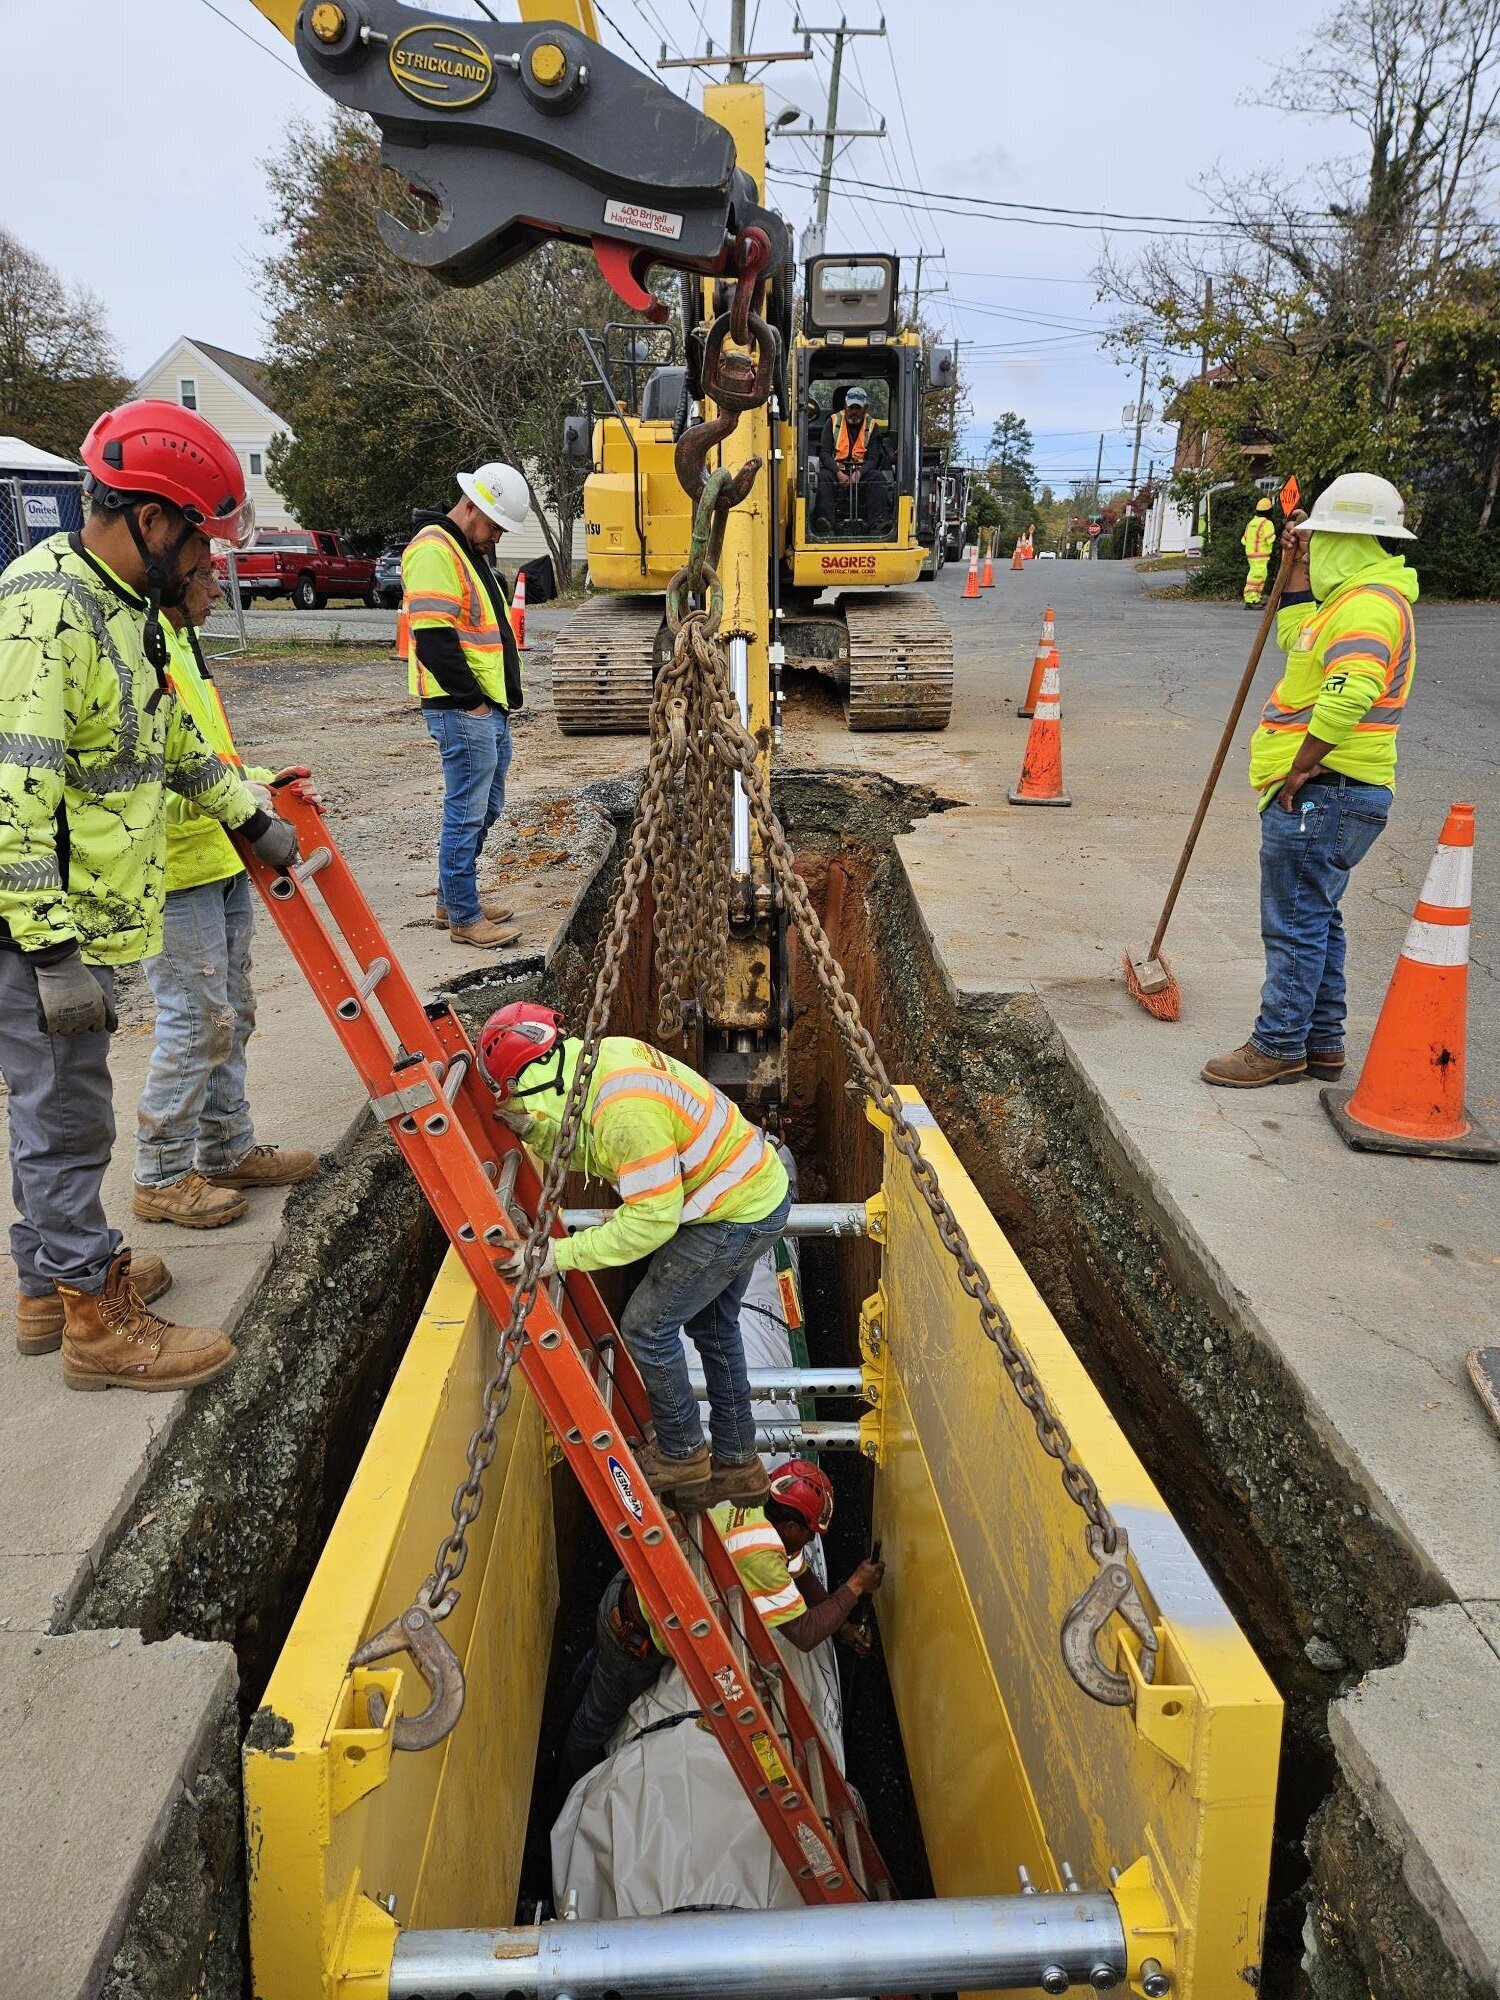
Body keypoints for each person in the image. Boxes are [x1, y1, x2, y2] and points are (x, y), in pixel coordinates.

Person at [0, 399, 300, 1389]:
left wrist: (246, 813)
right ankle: (95, 1321)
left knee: (58, 1108)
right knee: (66, 1115)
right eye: (200, 535)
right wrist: (48, 951)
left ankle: (49, 1282)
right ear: (155, 520)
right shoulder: (46, 608)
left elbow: (165, 740)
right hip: (38, 930)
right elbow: (16, 783)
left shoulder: (123, 611)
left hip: (82, 921)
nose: (203, 557)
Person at [479, 1003, 791, 1502]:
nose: (514, 1098)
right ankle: (738, 1463)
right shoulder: (601, 1062)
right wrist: (539, 1130)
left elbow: (649, 1222)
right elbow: (597, 1147)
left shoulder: (624, 1115)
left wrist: (558, 1255)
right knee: (713, 1328)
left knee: (647, 1328)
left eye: (512, 1089)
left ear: (532, 1077)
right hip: (749, 1189)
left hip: (732, 1211)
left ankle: (683, 1453)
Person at [1203, 473, 1418, 1089]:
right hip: (1338, 789)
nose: (1315, 546)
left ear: (1344, 540)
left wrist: (1303, 760)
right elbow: (1296, 638)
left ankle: (1278, 1046)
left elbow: (1351, 690)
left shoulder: (1369, 605)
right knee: (1316, 916)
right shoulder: (1348, 600)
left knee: (1295, 922)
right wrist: (1293, 574)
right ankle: (1322, 1043)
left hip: (1325, 789)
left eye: (1320, 539)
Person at [132, 557, 319, 1228]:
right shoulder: (141, 646)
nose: (220, 590)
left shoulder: (182, 642)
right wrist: (238, 803)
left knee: (232, 1012)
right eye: (205, 577)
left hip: (217, 857)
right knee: (193, 1022)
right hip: (172, 869)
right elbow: (142, 780)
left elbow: (211, 761)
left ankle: (225, 1146)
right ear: (170, 580)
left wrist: (268, 782)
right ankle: (159, 1175)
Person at [560, 1459, 884, 1780]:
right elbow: (804, 1632)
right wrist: (855, 1586)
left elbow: (802, 1577)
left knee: (594, 1669)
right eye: (810, 1533)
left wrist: (843, 1627)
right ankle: (566, 1789)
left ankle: (561, 1715)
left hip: (627, 1593)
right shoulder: (762, 1556)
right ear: (789, 1527)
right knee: (592, 1724)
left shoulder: (753, 1502)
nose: (812, 1542)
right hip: (634, 1636)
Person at [402, 461, 529, 949]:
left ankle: (452, 896)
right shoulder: (436, 548)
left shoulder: (466, 551)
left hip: (484, 706)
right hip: (464, 707)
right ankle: (463, 915)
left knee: (485, 806)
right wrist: (472, 702)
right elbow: (433, 638)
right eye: (494, 524)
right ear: (471, 505)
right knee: (466, 811)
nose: (496, 536)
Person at [813, 386, 890, 534]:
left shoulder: (872, 426)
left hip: (861, 472)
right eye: (851, 407)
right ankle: (825, 523)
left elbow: (873, 458)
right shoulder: (832, 422)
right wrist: (838, 473)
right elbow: (824, 453)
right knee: (823, 477)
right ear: (845, 407)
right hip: (837, 470)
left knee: (877, 477)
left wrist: (859, 473)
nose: (854, 411)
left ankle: (879, 523)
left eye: (858, 408)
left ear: (865, 408)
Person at [1242, 496, 1276, 607]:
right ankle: (1251, 600)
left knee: (1258, 576)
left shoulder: (1251, 523)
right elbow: (1270, 538)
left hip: (1251, 555)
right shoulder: (1266, 523)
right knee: (1256, 577)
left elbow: (1244, 540)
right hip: (1261, 556)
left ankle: (1256, 597)